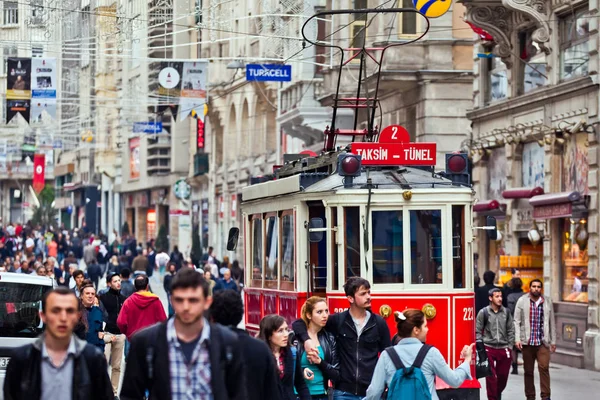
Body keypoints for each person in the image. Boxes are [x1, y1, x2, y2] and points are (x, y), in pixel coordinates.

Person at [121, 268, 247, 399]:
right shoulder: (146, 342)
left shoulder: (228, 343)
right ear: (171, 301)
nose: (186, 307)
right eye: (180, 300)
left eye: (193, 300)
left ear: (207, 302)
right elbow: (130, 394)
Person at [3, 286, 113, 400]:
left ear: (77, 316)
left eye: (69, 311)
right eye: (56, 310)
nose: (63, 318)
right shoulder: (22, 358)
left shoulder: (93, 359)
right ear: (43, 316)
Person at [293, 277, 391, 400]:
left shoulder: (378, 323)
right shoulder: (338, 320)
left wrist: (385, 385)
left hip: (371, 391)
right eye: (363, 294)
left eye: (369, 292)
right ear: (350, 298)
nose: (368, 297)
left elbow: (387, 355)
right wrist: (307, 340)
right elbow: (299, 323)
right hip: (343, 392)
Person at [365, 309, 473, 400]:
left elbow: (374, 393)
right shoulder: (431, 353)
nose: (427, 329)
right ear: (416, 330)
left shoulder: (386, 355)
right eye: (425, 326)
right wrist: (467, 360)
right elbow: (454, 381)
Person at [210, 290, 280, 400]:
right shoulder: (261, 348)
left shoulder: (208, 347)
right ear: (241, 314)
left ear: (212, 316)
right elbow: (272, 392)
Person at [514, 279, 556, 400]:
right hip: (527, 342)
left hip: (542, 342)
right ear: (530, 287)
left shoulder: (547, 301)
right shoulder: (522, 301)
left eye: (538, 287)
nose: (536, 288)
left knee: (544, 368)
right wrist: (517, 339)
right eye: (534, 286)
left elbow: (551, 322)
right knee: (528, 371)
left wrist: (553, 341)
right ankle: (530, 396)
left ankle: (546, 396)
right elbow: (516, 321)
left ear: (541, 289)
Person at [295, 296, 339, 400]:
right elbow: (285, 368)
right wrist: (301, 371)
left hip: (322, 394)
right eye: (319, 312)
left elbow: (336, 374)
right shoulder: (295, 338)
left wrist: (319, 362)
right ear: (309, 315)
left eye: (326, 311)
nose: (325, 315)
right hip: (298, 394)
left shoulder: (330, 339)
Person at [476, 288, 515, 400]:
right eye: (497, 296)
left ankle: (497, 394)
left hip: (504, 348)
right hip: (489, 347)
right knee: (491, 377)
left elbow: (511, 330)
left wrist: (510, 346)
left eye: (501, 296)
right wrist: (481, 347)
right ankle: (492, 398)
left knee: (503, 376)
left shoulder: (506, 312)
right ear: (490, 298)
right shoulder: (483, 312)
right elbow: (477, 330)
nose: (500, 299)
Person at [260, 314, 310, 400]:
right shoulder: (260, 356)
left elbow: (300, 383)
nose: (286, 334)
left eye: (286, 329)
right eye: (280, 331)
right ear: (268, 335)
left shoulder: (292, 353)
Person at [99, 273, 127, 397]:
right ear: (109, 283)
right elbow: (101, 315)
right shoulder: (103, 297)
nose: (118, 283)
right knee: (103, 365)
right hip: (107, 334)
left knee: (117, 366)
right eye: (115, 281)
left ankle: (114, 392)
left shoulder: (124, 299)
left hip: (120, 335)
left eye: (119, 280)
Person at [117, 275, 167, 341]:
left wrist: (127, 332)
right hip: (151, 338)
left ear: (135, 287)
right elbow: (163, 321)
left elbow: (121, 322)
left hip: (133, 337)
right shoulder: (155, 301)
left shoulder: (128, 302)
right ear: (147, 286)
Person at [80, 282, 107, 352]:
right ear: (81, 296)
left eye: (92, 294)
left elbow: (100, 333)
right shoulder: (75, 311)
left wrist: (101, 350)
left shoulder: (98, 311)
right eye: (87, 293)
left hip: (95, 352)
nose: (90, 296)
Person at [506, 277, 525, 375]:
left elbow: (510, 310)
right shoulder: (526, 296)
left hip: (514, 322)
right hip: (525, 322)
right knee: (525, 344)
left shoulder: (511, 296)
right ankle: (527, 365)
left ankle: (514, 367)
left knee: (514, 346)